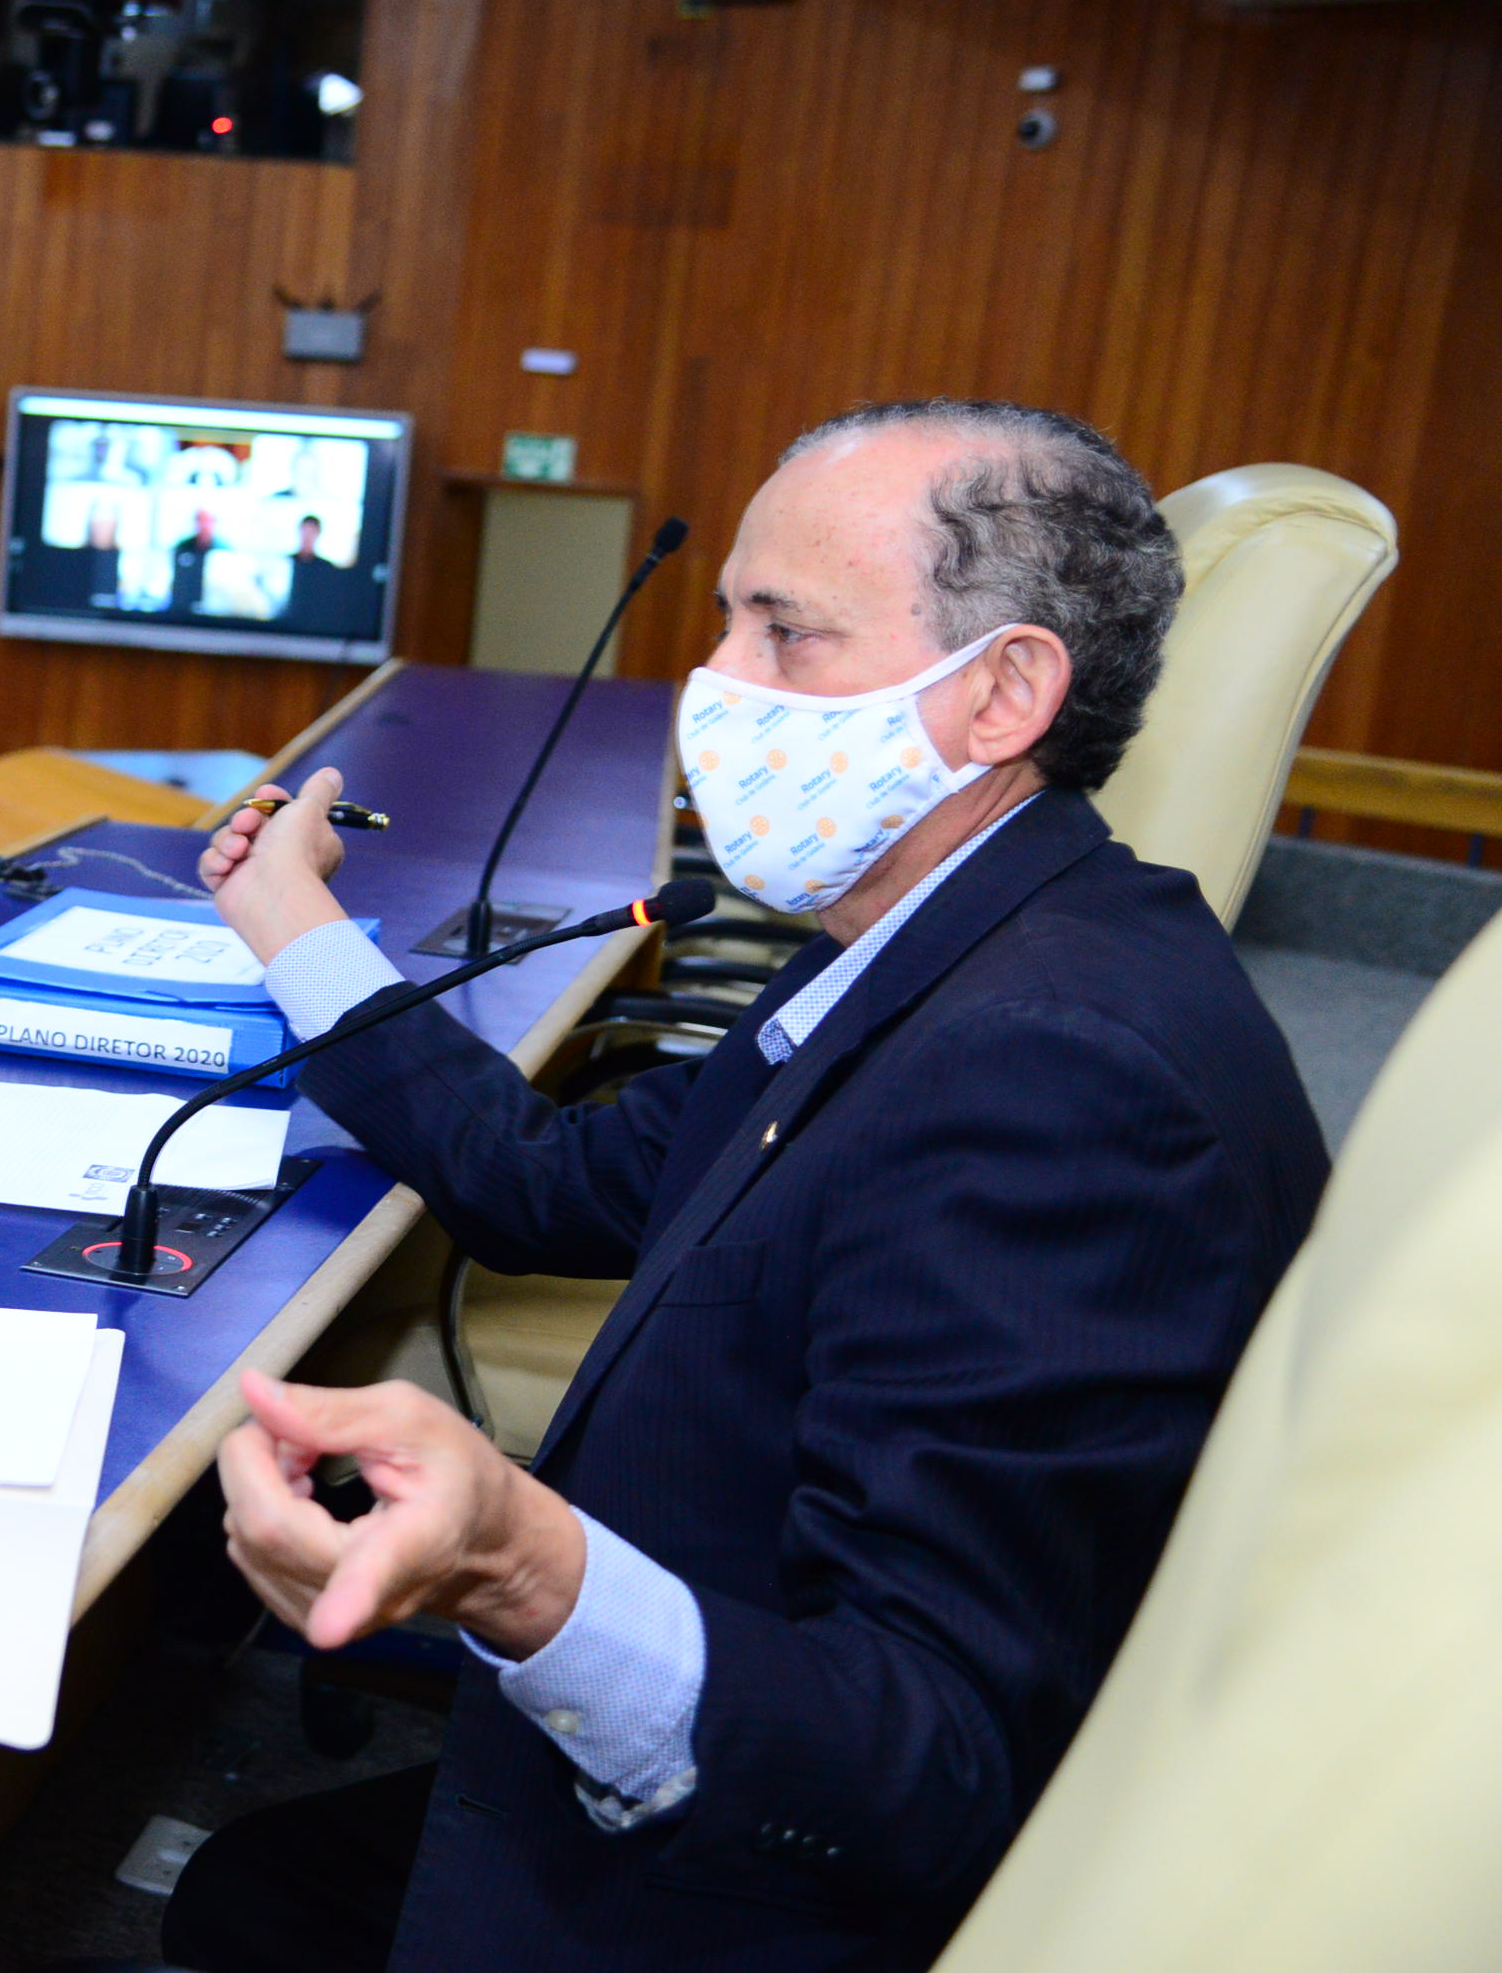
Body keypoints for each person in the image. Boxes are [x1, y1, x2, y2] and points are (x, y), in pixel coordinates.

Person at [167, 399, 1329, 1973]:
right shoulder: (943, 943)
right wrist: (292, 920)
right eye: (723, 623)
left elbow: (930, 1762)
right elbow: (548, 1182)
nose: (717, 686)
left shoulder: (1051, 1078)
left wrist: (519, 1565)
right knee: (251, 1891)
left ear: (1005, 693)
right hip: (718, 1676)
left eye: (786, 633)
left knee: (248, 1905)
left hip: (777, 1854)